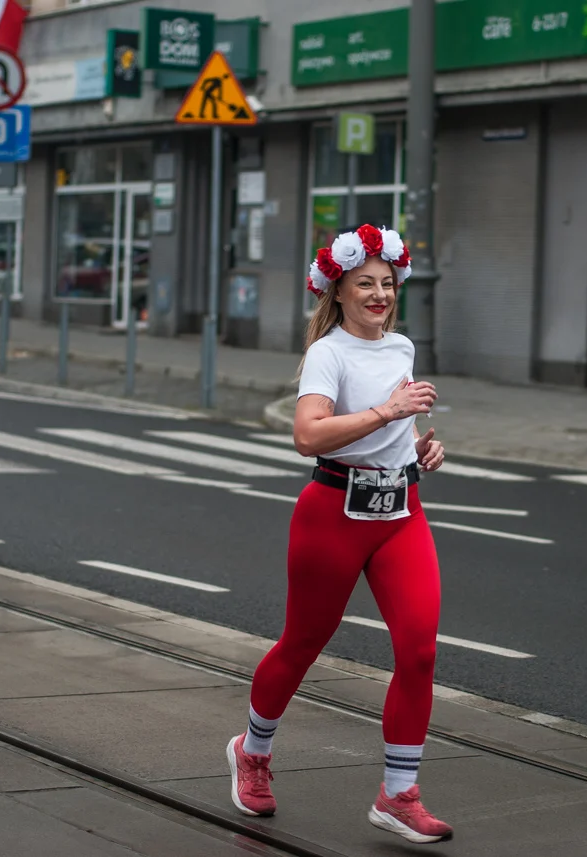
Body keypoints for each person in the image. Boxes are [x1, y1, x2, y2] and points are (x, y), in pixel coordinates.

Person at [225, 224, 453, 845]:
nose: (379, 295)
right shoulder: (328, 352)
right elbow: (308, 435)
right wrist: (388, 412)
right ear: (340, 292)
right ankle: (253, 751)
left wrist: (418, 447)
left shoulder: (401, 347)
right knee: (303, 642)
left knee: (420, 651)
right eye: (365, 285)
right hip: (334, 512)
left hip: (401, 512)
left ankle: (399, 794)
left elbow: (394, 429)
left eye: (388, 284)